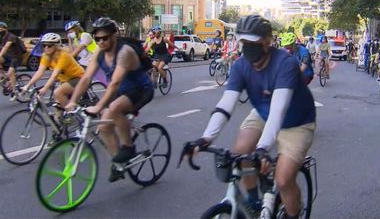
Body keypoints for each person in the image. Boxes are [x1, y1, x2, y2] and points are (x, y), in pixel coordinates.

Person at [183, 15, 316, 219]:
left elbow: (278, 112)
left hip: (296, 121)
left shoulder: (285, 63)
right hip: (262, 112)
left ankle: (293, 214)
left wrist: (262, 149)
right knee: (240, 153)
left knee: (283, 179)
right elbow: (225, 105)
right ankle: (254, 203)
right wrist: (205, 139)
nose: (247, 47)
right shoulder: (240, 66)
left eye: (253, 42)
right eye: (243, 42)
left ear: (267, 42)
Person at [66, 17, 154, 182]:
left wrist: (98, 106)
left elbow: (114, 83)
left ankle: (129, 147)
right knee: (105, 126)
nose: (101, 42)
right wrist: (73, 100)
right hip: (122, 91)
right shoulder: (99, 52)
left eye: (105, 38)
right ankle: (119, 164)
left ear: (114, 35)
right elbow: (86, 79)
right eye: (97, 38)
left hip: (141, 89)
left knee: (113, 109)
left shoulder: (124, 52)